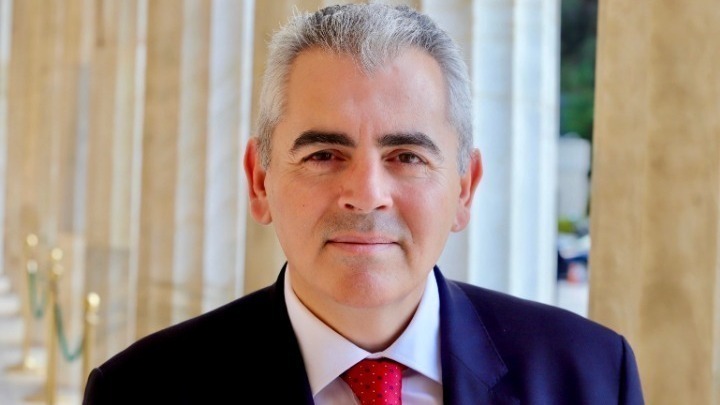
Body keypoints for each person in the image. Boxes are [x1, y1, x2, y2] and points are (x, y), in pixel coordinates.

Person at [82, 3, 644, 404]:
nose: (367, 195)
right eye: (324, 154)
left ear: (465, 188)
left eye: (406, 156)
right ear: (259, 181)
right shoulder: (138, 392)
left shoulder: (591, 377)